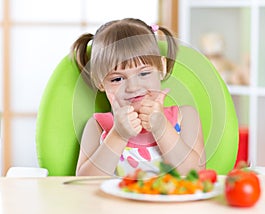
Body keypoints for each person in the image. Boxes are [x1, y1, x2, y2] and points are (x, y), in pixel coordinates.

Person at [72, 18, 205, 176]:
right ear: (99, 82)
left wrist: (162, 128)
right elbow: (85, 183)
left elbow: (195, 174)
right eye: (117, 79)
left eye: (144, 73)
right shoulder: (98, 125)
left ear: (161, 68)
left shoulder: (184, 116)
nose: (133, 87)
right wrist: (118, 135)